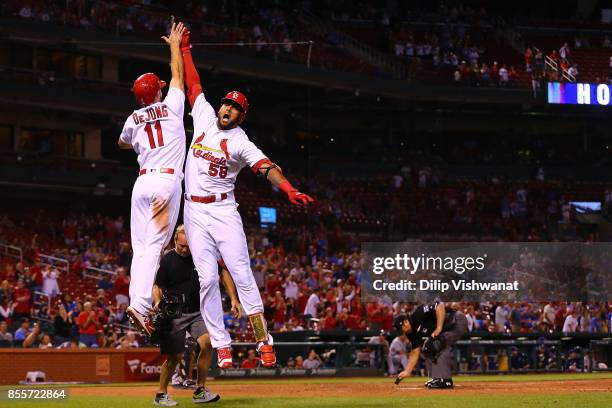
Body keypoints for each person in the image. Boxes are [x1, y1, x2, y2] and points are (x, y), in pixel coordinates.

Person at [179, 29, 314, 369]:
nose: (228, 108)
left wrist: (289, 189)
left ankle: (262, 340)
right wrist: (184, 49)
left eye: (235, 107)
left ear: (242, 116)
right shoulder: (206, 117)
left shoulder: (241, 142)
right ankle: (222, 345)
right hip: (193, 210)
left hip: (223, 210)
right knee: (207, 279)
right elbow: (194, 86)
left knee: (241, 274)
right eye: (227, 102)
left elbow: (267, 167)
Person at [118, 22, 187, 335]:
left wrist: (137, 137)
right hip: (164, 184)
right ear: (157, 92)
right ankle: (141, 305)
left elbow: (122, 143)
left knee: (142, 249)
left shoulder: (133, 117)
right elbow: (178, 74)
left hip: (141, 184)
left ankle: (137, 302)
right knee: (155, 247)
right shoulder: (171, 107)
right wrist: (174, 45)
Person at [152, 225, 240, 406]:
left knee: (207, 343)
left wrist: (233, 299)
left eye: (188, 246)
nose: (184, 250)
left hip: (197, 311)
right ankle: (161, 394)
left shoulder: (201, 255)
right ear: (175, 240)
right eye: (181, 245)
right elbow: (157, 286)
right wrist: (157, 301)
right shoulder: (168, 260)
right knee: (174, 357)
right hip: (175, 313)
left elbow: (223, 273)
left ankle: (200, 390)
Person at [395, 302, 468, 389]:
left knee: (435, 344)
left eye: (401, 328)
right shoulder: (410, 333)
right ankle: (436, 378)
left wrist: (439, 327)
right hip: (447, 328)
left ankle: (445, 380)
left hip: (456, 321)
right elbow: (415, 351)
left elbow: (439, 305)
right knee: (426, 348)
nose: (402, 332)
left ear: (406, 322)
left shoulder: (418, 313)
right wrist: (407, 371)